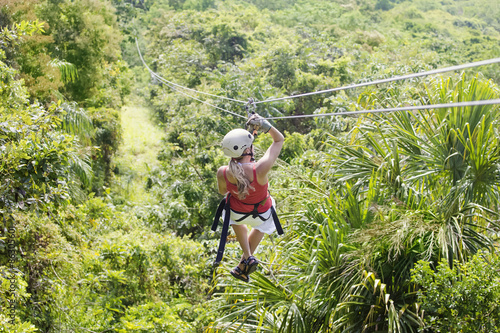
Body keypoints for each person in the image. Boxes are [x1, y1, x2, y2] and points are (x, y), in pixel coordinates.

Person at [216, 113, 284, 282]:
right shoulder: (259, 169)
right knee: (269, 207)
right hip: (262, 214)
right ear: (248, 150)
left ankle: (246, 259)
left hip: (238, 214)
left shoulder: (223, 172)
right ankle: (245, 260)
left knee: (229, 208)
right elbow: (279, 140)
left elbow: (223, 192)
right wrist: (265, 126)